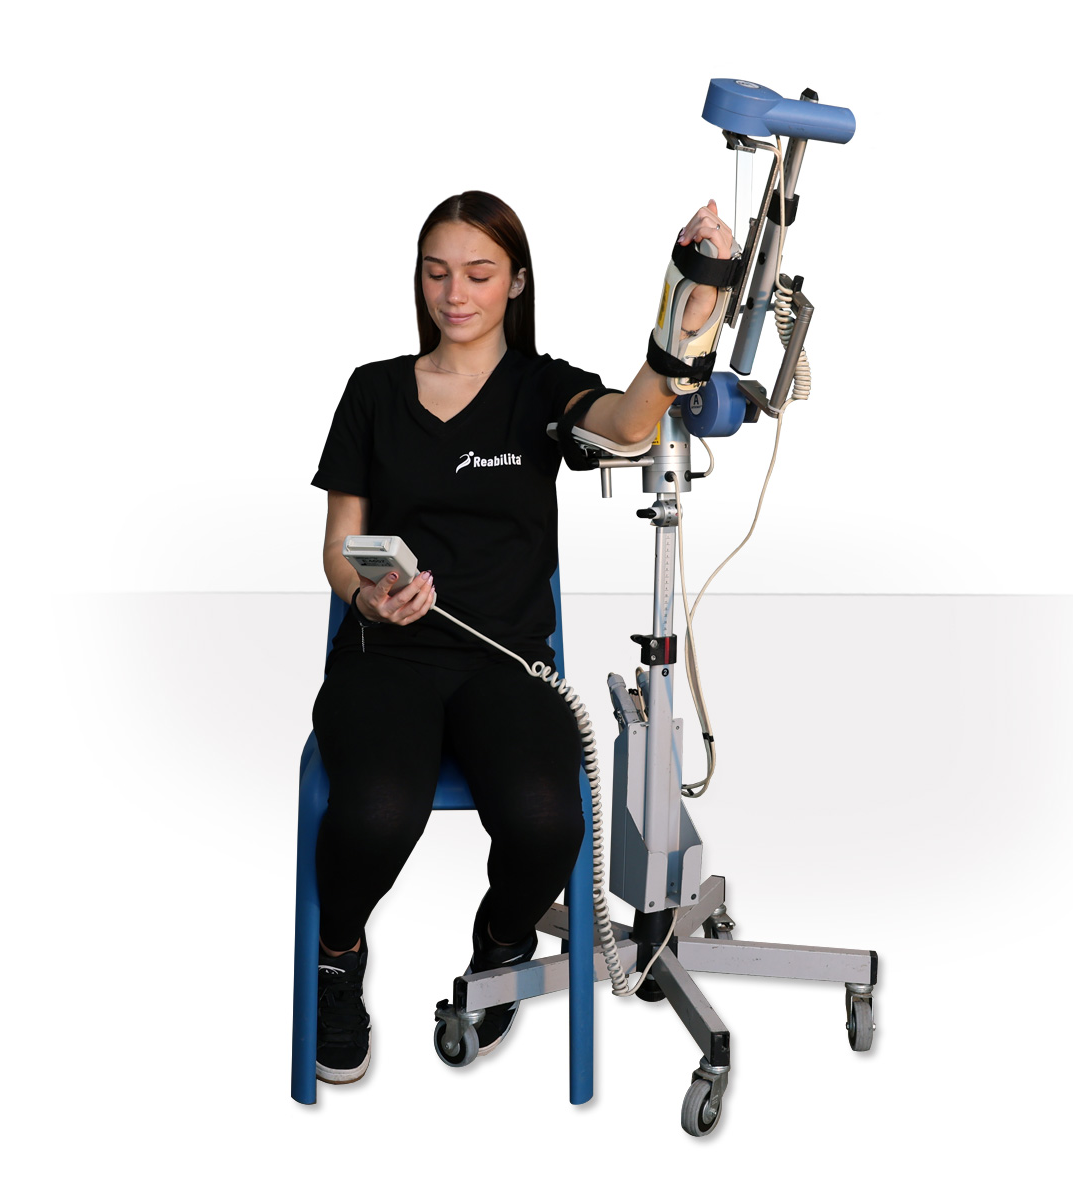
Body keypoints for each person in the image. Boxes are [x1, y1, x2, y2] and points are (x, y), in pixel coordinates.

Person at [310, 190, 732, 1083]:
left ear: (516, 282)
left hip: (507, 666)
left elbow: (629, 423)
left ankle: (500, 945)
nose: (454, 293)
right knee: (377, 809)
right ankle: (337, 957)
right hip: (388, 656)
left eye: (478, 273)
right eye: (437, 273)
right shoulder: (373, 390)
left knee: (547, 821)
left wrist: (691, 301)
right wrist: (368, 599)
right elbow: (339, 547)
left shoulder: (542, 388)